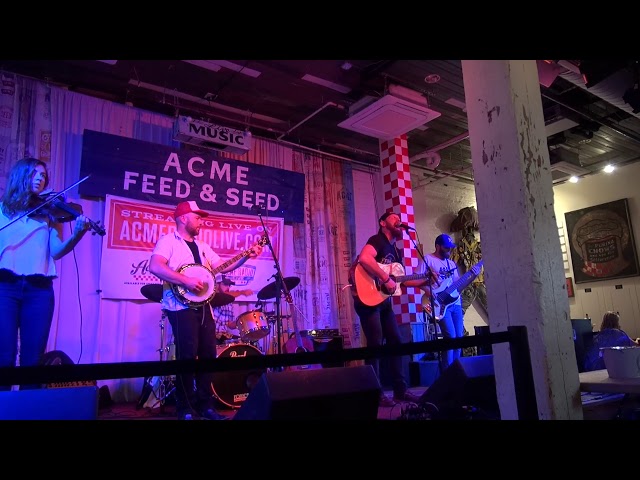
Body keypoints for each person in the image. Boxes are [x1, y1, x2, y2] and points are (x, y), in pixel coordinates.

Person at [149, 200, 263, 420]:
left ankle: (205, 405)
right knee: (187, 356)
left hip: (204, 308)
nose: (201, 221)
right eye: (197, 217)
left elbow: (223, 266)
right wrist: (185, 280)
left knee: (209, 355)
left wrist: (247, 255)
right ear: (183, 218)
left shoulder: (202, 247)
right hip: (179, 306)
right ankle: (185, 407)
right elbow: (155, 266)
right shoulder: (168, 242)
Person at [0, 157, 90, 390]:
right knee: (3, 357)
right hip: (4, 286)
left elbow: (57, 251)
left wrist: (76, 235)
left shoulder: (49, 212)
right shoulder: (1, 210)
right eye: (35, 173)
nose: (41, 178)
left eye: (43, 175)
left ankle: (28, 413)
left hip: (38, 290)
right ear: (21, 176)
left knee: (32, 360)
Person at [351, 211, 435, 407]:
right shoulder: (377, 240)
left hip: (384, 302)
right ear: (382, 222)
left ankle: (400, 390)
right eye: (393, 217)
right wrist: (385, 278)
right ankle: (375, 392)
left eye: (400, 217)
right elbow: (364, 258)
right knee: (375, 343)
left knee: (396, 340)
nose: (399, 219)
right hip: (367, 299)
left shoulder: (395, 251)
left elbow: (401, 283)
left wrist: (426, 281)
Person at [422, 233, 465, 371]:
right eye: (446, 248)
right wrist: (430, 292)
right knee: (450, 336)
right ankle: (448, 372)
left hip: (455, 303)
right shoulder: (428, 259)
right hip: (440, 304)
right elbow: (419, 282)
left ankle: (458, 370)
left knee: (459, 337)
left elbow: (456, 283)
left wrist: (469, 277)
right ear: (437, 246)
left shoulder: (451, 263)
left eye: (450, 248)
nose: (449, 250)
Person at [213, 275, 253, 345]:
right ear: (217, 284)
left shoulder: (229, 302)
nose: (228, 287)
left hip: (222, 336)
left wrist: (244, 319)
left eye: (229, 285)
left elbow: (230, 325)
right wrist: (242, 292)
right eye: (225, 284)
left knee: (246, 343)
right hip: (211, 335)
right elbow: (225, 296)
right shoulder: (212, 296)